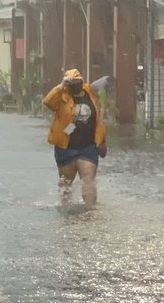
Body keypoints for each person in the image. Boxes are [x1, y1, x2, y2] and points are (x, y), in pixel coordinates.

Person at [43, 69, 107, 207]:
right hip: (66, 148)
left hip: (88, 147)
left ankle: (90, 213)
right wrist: (61, 86)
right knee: (65, 184)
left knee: (88, 180)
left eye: (77, 82)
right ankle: (65, 211)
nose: (74, 85)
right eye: (71, 83)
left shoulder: (90, 92)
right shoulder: (61, 95)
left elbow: (98, 120)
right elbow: (48, 102)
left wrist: (102, 141)